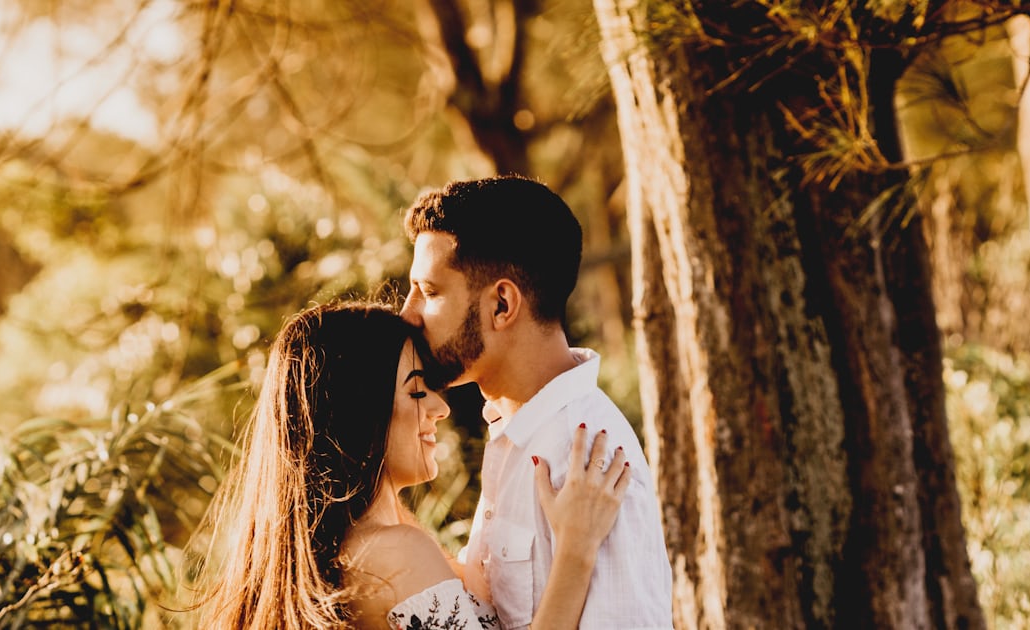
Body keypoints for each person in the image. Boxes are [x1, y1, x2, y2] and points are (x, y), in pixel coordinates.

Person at [185, 301, 631, 629]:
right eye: (418, 391)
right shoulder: (392, 553)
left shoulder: (363, 544)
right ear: (360, 409)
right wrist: (576, 548)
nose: (439, 407)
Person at [400, 175, 674, 629]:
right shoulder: (513, 430)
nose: (408, 313)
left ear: (502, 305)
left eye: (429, 292)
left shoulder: (587, 458)